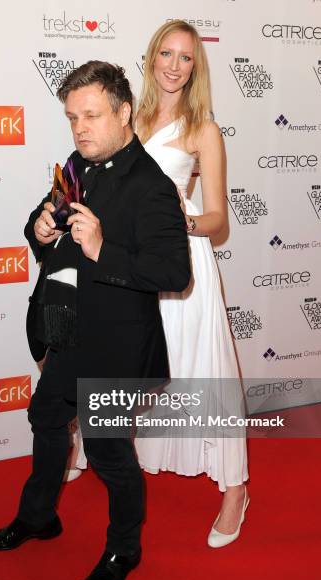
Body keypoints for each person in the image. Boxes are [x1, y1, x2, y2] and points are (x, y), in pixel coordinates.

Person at [0, 61, 191, 580]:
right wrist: (41, 227)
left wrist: (102, 250)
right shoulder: (78, 162)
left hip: (116, 347)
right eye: (73, 117)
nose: (80, 128)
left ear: (123, 112)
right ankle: (39, 517)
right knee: (46, 417)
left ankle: (124, 548)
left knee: (107, 452)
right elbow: (45, 214)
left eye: (92, 115)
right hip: (67, 328)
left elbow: (173, 272)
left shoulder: (153, 187)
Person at [133, 20, 249, 548]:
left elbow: (219, 219)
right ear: (152, 57)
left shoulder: (204, 128)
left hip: (185, 264)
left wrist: (181, 219)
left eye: (186, 58)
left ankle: (235, 491)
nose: (175, 66)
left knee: (202, 372)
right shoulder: (128, 119)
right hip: (134, 265)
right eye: (167, 53)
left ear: (195, 67)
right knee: (145, 369)